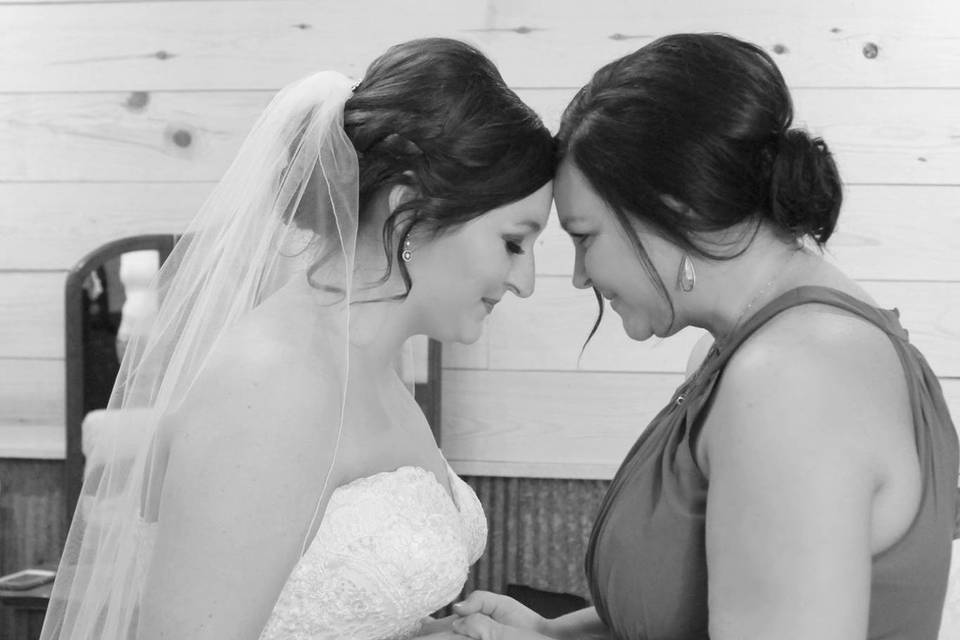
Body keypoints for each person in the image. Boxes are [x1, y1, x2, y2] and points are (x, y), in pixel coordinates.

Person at [436, 33, 959, 640]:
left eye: (584, 237)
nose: (580, 276)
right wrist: (556, 634)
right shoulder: (761, 353)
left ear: (672, 209)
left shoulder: (796, 375)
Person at [41, 38, 554, 640]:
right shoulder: (270, 387)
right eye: (514, 244)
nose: (524, 281)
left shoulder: (371, 366)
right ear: (409, 211)